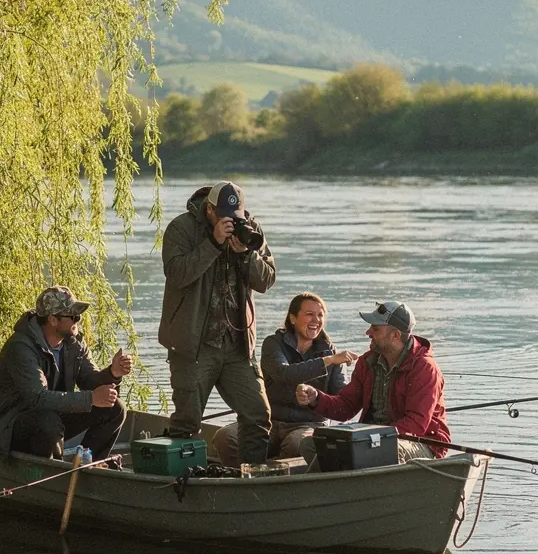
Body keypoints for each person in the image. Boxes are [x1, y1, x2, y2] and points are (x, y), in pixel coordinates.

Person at [158, 181, 276, 465]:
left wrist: (246, 254)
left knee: (258, 414)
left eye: (236, 217)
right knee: (187, 423)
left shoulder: (249, 228)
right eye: (224, 216)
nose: (231, 222)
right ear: (209, 209)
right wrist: (213, 243)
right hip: (194, 345)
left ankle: (252, 482)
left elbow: (267, 279)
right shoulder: (182, 229)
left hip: (237, 347)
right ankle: (180, 485)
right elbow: (177, 274)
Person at [0, 285, 132, 461]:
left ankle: (87, 464)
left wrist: (113, 373)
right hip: (10, 425)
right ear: (53, 320)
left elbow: (89, 381)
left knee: (114, 408)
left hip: (51, 415)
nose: (78, 320)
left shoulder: (74, 343)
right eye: (73, 316)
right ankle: (56, 476)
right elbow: (37, 398)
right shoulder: (21, 347)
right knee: (48, 423)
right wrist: (90, 398)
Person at [213, 291, 358, 466]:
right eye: (309, 314)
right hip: (270, 422)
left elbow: (341, 404)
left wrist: (316, 397)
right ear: (292, 318)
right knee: (225, 437)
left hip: (308, 425)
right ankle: (242, 481)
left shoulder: (333, 354)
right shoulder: (273, 344)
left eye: (320, 315)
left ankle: (274, 482)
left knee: (297, 444)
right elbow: (284, 374)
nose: (316, 320)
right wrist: (327, 361)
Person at [295, 300, 450, 464]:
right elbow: (345, 407)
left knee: (386, 450)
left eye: (375, 328)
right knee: (310, 445)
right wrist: (316, 398)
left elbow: (415, 425)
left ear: (395, 335)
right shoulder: (367, 362)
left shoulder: (424, 368)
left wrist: (369, 438)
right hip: (372, 440)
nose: (368, 332)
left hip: (422, 443)